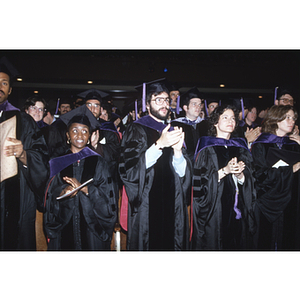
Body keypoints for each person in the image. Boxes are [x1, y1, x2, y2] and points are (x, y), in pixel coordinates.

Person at [119, 79, 192, 250]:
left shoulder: (174, 131)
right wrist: (159, 145)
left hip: (173, 203)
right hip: (147, 205)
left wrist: (178, 152)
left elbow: (183, 176)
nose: (165, 104)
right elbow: (129, 171)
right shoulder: (136, 129)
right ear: (147, 104)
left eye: (167, 100)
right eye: (158, 99)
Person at [44, 105, 117, 250]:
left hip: (93, 230)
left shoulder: (99, 163)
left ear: (90, 137)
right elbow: (48, 198)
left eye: (85, 131)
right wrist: (63, 192)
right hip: (64, 226)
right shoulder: (57, 162)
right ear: (67, 136)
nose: (79, 135)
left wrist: (85, 189)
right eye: (75, 131)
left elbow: (109, 202)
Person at [0, 57, 49, 250]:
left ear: (10, 90)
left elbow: (42, 158)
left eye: (4, 83)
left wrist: (23, 155)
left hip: (14, 201)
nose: (0, 86)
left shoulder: (23, 121)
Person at [192, 104, 256, 250]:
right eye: (225, 117)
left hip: (238, 210)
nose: (230, 121)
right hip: (214, 211)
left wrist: (240, 175)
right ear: (215, 122)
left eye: (233, 118)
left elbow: (251, 179)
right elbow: (199, 184)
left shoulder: (240, 147)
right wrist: (225, 171)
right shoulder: (206, 147)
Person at [251, 105, 300, 250]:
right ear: (276, 120)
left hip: (291, 200)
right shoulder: (261, 145)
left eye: (293, 118)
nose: (292, 121)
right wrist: (291, 169)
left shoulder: (294, 145)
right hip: (267, 202)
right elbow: (259, 176)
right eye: (288, 117)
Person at [171, 86, 204, 162]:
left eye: (199, 105)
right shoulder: (176, 125)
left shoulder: (206, 124)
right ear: (185, 108)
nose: (198, 107)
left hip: (205, 166)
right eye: (194, 104)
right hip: (184, 164)